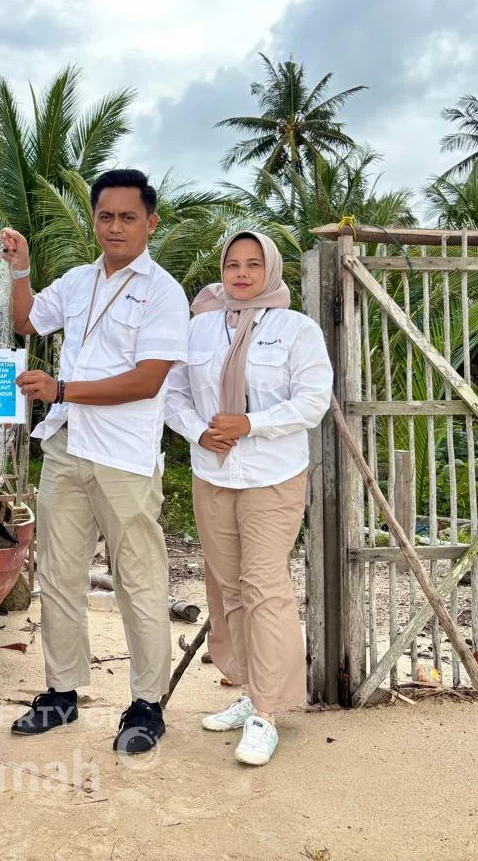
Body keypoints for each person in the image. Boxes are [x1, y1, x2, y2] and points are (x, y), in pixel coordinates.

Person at [2, 168, 190, 755]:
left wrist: (62, 389)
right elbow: (26, 320)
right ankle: (61, 692)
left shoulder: (163, 292)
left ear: (151, 223)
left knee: (138, 580)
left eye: (128, 217)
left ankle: (147, 704)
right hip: (67, 446)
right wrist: (21, 270)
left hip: (125, 456)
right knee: (58, 575)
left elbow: (147, 380)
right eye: (105, 216)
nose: (115, 227)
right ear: (93, 220)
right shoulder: (79, 281)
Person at [164, 231, 332, 766]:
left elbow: (313, 401)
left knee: (264, 585)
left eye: (253, 264)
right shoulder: (199, 327)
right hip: (213, 473)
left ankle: (268, 712)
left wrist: (250, 424)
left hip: (271, 476)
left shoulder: (295, 329)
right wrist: (198, 431)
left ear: (271, 270)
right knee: (227, 588)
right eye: (232, 264)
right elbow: (172, 393)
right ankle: (249, 690)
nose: (241, 273)